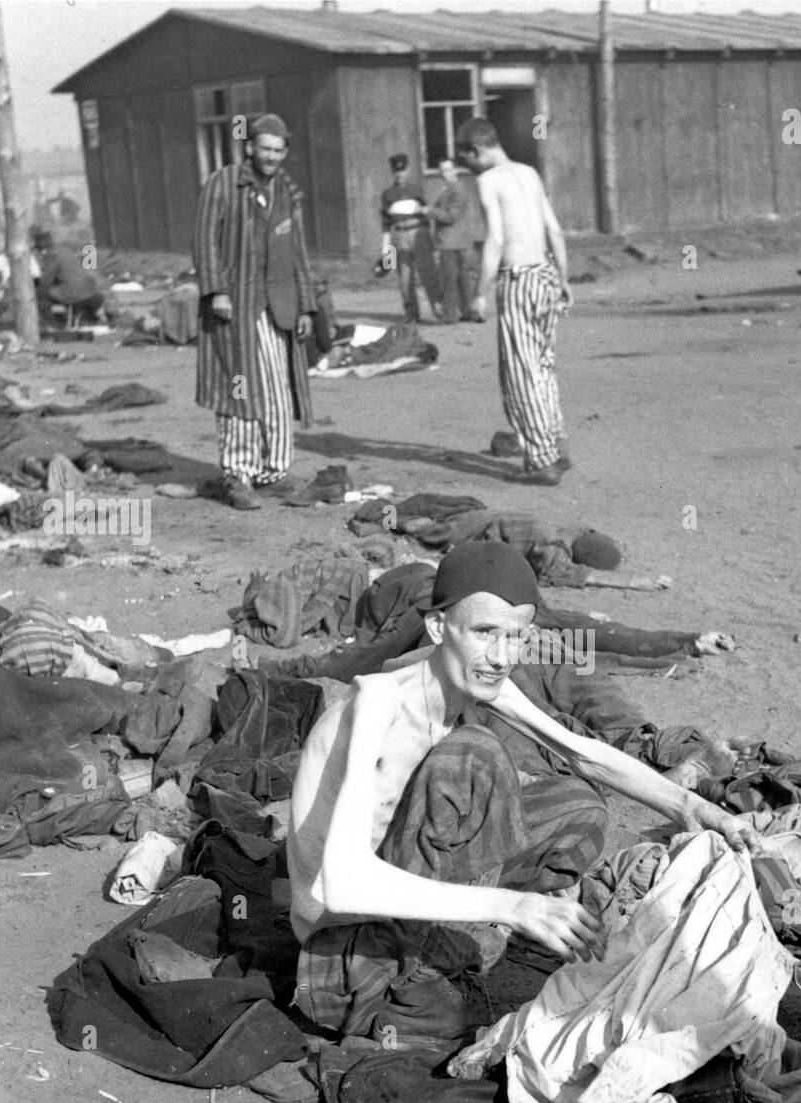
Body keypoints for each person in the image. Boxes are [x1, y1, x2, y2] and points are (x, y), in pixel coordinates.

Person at [287, 541, 763, 1046]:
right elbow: (340, 883)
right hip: (345, 931)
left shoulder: (472, 678)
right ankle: (433, 960)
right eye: (485, 633)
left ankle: (458, 938)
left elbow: (583, 753)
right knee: (474, 756)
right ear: (436, 627)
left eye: (515, 638)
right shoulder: (379, 707)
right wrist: (515, 908)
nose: (501, 657)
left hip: (406, 881)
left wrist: (695, 807)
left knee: (578, 805)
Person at [193, 113, 316, 511]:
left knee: (278, 387)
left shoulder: (286, 190)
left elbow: (297, 251)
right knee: (240, 387)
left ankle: (274, 470)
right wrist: (216, 290)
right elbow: (205, 240)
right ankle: (237, 474)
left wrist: (305, 306)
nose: (271, 157)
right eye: (264, 149)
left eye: (279, 151)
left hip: (277, 306)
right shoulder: (223, 184)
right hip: (235, 304)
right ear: (249, 147)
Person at [456, 117, 572, 486]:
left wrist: (478, 295)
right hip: (546, 274)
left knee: (524, 373)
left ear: (476, 150)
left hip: (518, 279)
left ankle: (541, 460)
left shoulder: (488, 180)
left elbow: (496, 241)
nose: (468, 168)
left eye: (466, 159)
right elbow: (554, 229)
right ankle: (554, 443)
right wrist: (565, 280)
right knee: (544, 363)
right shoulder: (529, 172)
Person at [379, 153, 438, 323]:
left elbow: (427, 213)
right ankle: (411, 313)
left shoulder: (417, 189)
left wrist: (428, 239)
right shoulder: (387, 194)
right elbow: (386, 223)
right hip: (399, 235)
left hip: (418, 232)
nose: (400, 174)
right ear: (392, 172)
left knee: (428, 272)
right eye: (396, 171)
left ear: (408, 170)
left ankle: (438, 308)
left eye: (403, 170)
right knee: (404, 276)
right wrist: (386, 251)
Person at [429, 157, 478, 323]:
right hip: (456, 240)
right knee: (461, 278)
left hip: (451, 240)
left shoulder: (456, 189)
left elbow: (451, 217)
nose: (444, 174)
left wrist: (429, 211)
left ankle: (449, 315)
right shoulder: (449, 189)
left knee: (450, 278)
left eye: (448, 170)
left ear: (455, 170)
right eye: (441, 171)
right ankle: (468, 312)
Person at [32, 229, 106, 324]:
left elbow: (46, 280)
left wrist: (34, 282)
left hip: (73, 292)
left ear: (40, 248)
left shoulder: (51, 255)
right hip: (89, 289)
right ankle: (65, 319)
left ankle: (51, 324)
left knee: (40, 294)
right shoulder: (65, 251)